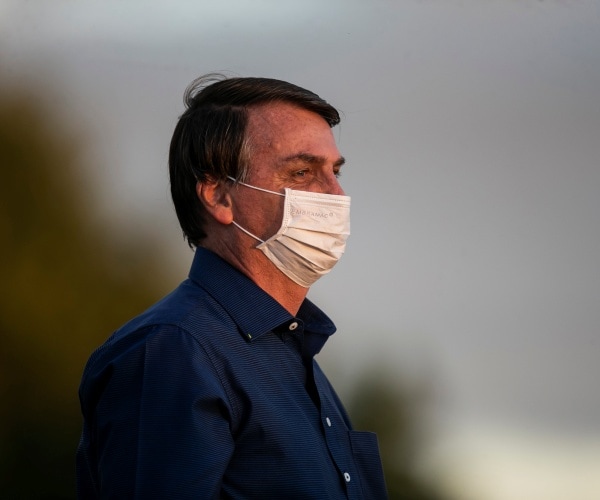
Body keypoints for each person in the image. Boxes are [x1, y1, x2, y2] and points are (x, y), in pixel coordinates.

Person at [76, 74, 387, 499]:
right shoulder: (172, 351)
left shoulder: (295, 353)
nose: (335, 193)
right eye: (302, 171)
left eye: (335, 171)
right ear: (218, 196)